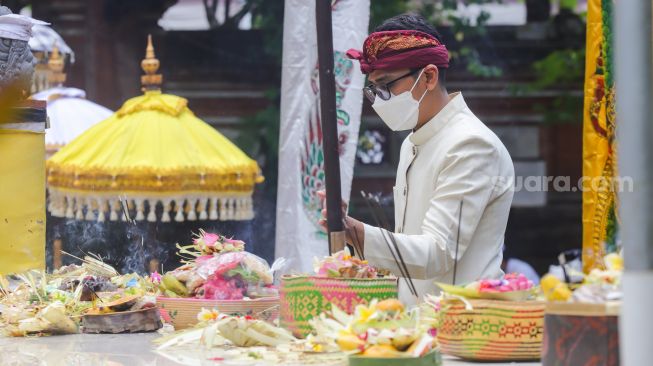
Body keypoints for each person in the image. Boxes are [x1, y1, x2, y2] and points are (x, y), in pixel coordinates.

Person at [319, 14, 515, 305]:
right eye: (373, 89)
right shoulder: (413, 142)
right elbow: (409, 252)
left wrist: (356, 232)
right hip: (417, 326)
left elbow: (435, 253)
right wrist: (349, 232)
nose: (380, 99)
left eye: (387, 84)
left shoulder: (470, 145)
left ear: (429, 76)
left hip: (464, 326)